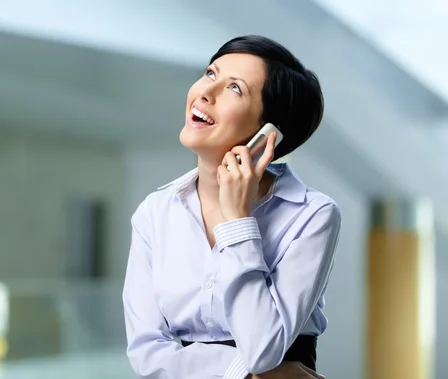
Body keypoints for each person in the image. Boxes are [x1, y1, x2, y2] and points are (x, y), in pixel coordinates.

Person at [122, 35, 341, 379]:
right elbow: (146, 351)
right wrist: (242, 374)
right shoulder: (155, 213)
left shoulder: (312, 215)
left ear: (268, 136)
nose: (205, 93)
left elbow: (263, 351)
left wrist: (238, 220)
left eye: (235, 89)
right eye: (211, 73)